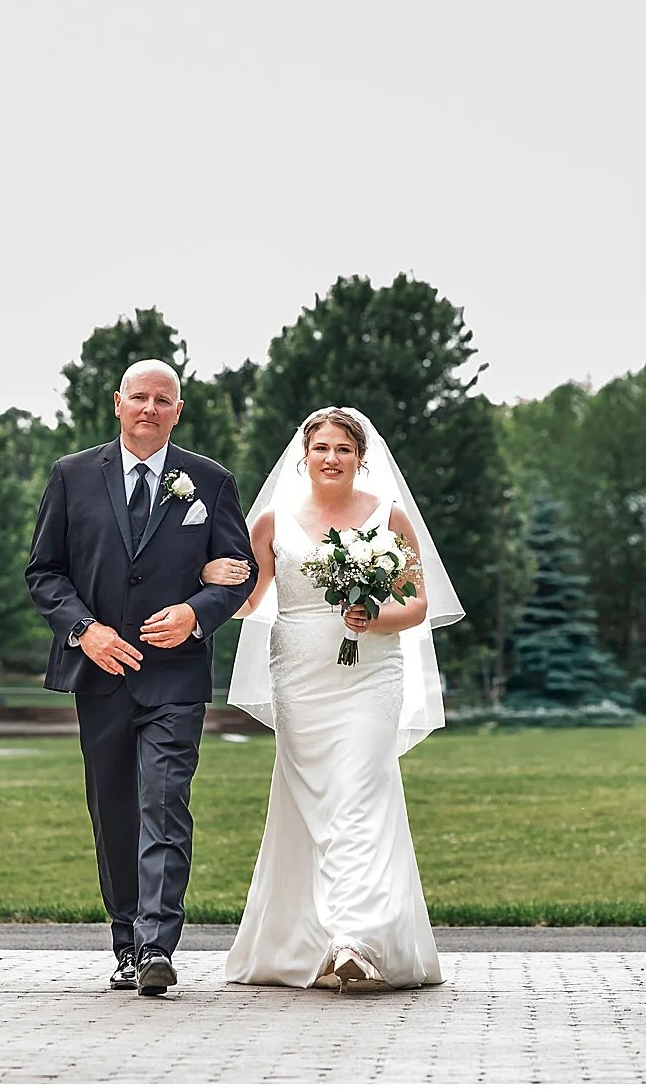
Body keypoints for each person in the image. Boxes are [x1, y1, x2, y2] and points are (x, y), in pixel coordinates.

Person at [198, 407, 463, 991]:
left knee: (361, 795)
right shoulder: (271, 521)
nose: (332, 458)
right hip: (299, 681)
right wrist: (216, 580)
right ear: (305, 454)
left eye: (344, 449)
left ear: (361, 457)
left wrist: (375, 616)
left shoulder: (387, 517)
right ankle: (308, 942)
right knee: (314, 805)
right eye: (322, 447)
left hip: (371, 679)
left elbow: (416, 604)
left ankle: (357, 940)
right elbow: (248, 602)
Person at [24, 359, 256, 997]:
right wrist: (84, 631)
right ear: (117, 403)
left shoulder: (209, 481)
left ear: (177, 410)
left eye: (163, 399)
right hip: (99, 675)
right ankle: (125, 941)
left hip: (175, 678)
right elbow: (44, 572)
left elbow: (240, 569)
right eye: (139, 397)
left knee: (163, 801)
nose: (149, 408)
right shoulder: (71, 476)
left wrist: (195, 614)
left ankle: (157, 945)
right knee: (114, 809)